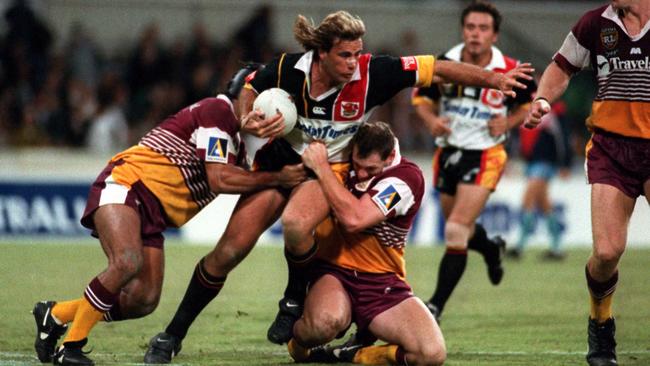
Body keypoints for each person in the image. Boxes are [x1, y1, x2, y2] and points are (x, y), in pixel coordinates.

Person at [143, 10, 533, 362]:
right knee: (228, 251)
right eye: (345, 55)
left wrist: (495, 80)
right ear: (323, 53)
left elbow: (442, 68)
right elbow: (249, 86)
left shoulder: (375, 72)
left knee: (297, 224)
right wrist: (246, 118)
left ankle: (294, 298)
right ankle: (172, 336)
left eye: (357, 53)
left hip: (329, 167)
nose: (354, 63)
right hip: (279, 163)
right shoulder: (288, 69)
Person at [31, 64, 307, 366]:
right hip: (128, 184)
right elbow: (219, 180)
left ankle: (55, 314)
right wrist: (278, 178)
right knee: (126, 261)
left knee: (143, 299)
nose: (260, 110)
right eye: (254, 98)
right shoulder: (218, 111)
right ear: (241, 92)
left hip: (154, 212)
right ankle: (71, 347)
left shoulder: (239, 142)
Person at [524, 1, 650, 365]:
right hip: (612, 148)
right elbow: (561, 67)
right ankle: (601, 323)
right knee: (607, 252)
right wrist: (543, 98)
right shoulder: (595, 24)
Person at [411, 0, 536, 321]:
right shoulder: (445, 62)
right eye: (470, 27)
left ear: (494, 35)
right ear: (462, 30)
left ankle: (435, 306)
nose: (475, 34)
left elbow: (528, 106)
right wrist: (431, 122)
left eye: (483, 28)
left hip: (486, 153)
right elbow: (421, 99)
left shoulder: (509, 67)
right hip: (448, 151)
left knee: (454, 229)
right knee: (462, 230)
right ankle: (491, 249)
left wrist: (506, 123)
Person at [287, 122, 446, 366]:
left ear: (390, 156)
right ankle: (298, 336)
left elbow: (354, 220)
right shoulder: (343, 156)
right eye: (357, 165)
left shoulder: (404, 179)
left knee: (430, 354)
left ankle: (358, 354)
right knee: (319, 328)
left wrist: (321, 167)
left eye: (370, 169)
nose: (361, 174)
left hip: (381, 280)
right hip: (333, 271)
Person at [507, 100, 572, 260]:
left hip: (545, 161)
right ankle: (557, 248)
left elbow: (564, 135)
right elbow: (517, 135)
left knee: (527, 200)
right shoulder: (524, 107)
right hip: (530, 161)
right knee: (544, 205)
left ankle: (519, 246)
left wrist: (566, 163)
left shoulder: (555, 108)